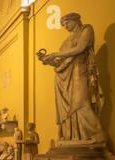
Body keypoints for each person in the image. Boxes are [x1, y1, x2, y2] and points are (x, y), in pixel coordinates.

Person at [38, 13, 105, 144]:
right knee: (67, 109)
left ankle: (99, 134)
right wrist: (48, 60)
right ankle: (73, 137)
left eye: (67, 22)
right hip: (63, 77)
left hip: (79, 70)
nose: (65, 26)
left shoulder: (86, 29)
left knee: (81, 102)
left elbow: (80, 48)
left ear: (76, 20)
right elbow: (60, 62)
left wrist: (55, 54)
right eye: (63, 24)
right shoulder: (65, 42)